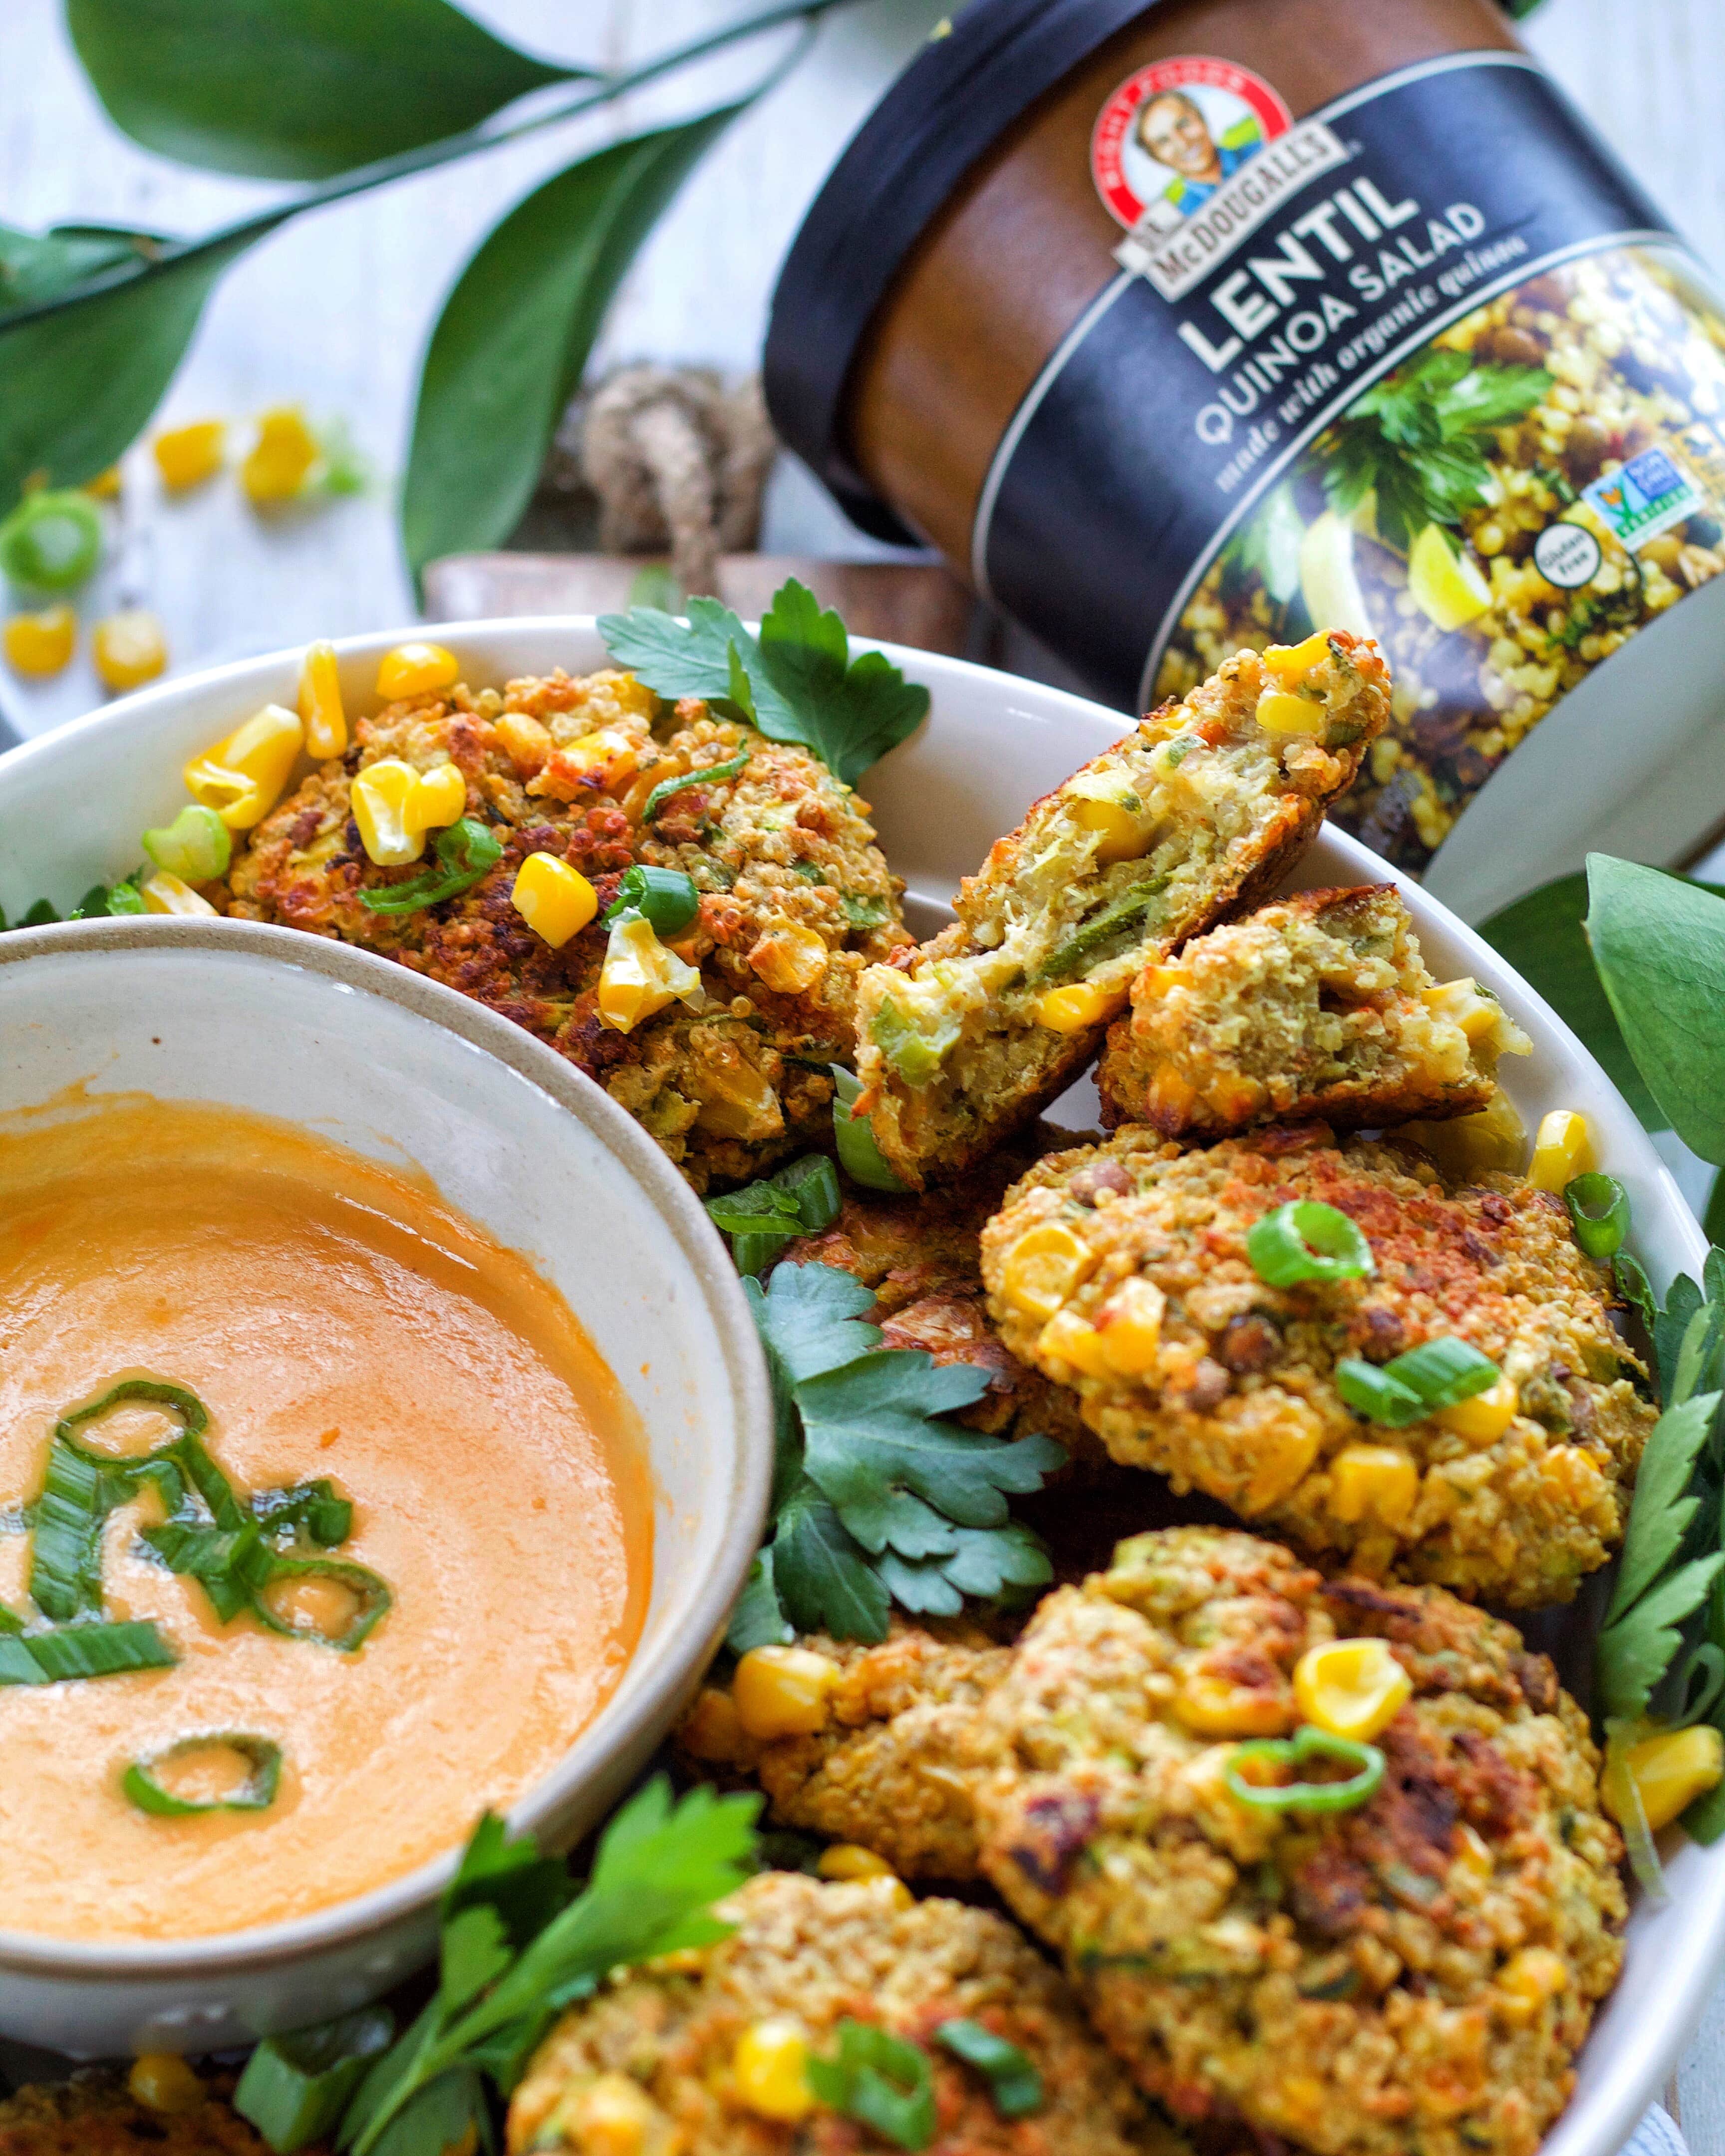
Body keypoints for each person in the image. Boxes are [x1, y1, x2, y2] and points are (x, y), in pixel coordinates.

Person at [1137, 88, 1264, 227]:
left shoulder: (1263, 150)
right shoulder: (1184, 221)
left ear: (1200, 118)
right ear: (1157, 158)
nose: (1183, 144)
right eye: (1163, 141)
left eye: (1183, 124)